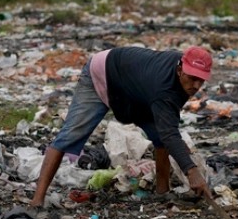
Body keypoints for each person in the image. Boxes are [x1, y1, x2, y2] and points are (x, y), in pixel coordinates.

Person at [29, 45, 213, 209]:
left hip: (136, 88)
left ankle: (162, 192)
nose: (196, 86)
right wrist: (192, 172)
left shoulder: (181, 81)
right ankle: (37, 201)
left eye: (201, 80)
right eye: (192, 78)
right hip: (103, 72)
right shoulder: (164, 88)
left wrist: (186, 161)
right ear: (180, 69)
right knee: (71, 134)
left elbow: (167, 131)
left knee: (159, 136)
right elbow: (171, 134)